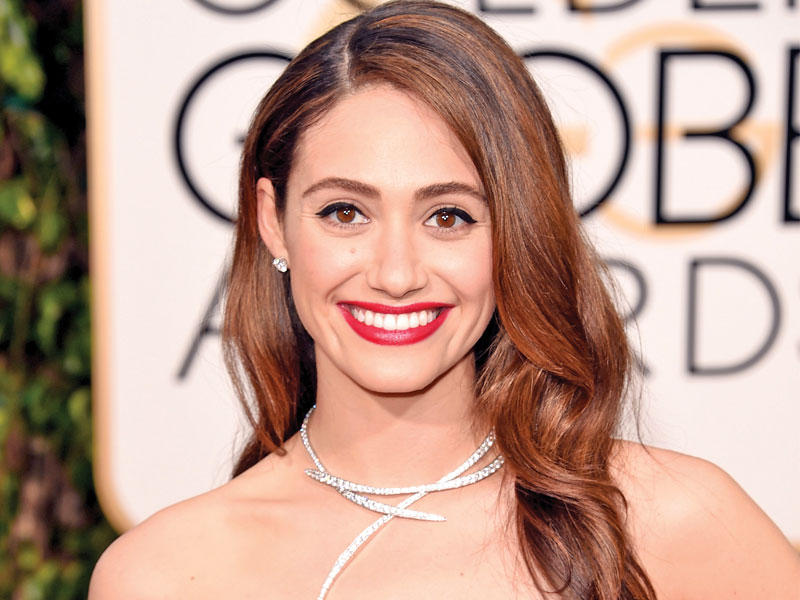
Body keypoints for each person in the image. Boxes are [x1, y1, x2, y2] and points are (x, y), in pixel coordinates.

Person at [89, 1, 800, 598]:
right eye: (345, 212)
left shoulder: (671, 525)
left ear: (515, 233)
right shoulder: (160, 575)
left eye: (448, 216)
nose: (396, 273)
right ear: (272, 220)